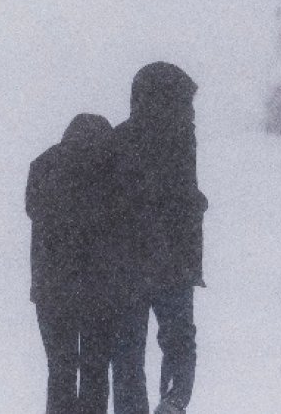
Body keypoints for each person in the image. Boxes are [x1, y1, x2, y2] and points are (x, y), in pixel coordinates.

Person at [110, 62, 207, 414]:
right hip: (175, 265)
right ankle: (173, 402)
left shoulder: (120, 140)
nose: (191, 111)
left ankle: (132, 409)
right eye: (186, 102)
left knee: (127, 353)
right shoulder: (181, 140)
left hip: (129, 265)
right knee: (179, 342)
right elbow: (180, 199)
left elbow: (118, 204)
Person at [27, 113, 121, 414]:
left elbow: (34, 210)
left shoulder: (43, 165)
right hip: (100, 289)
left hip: (52, 289)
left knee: (60, 370)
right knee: (95, 371)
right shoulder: (110, 168)